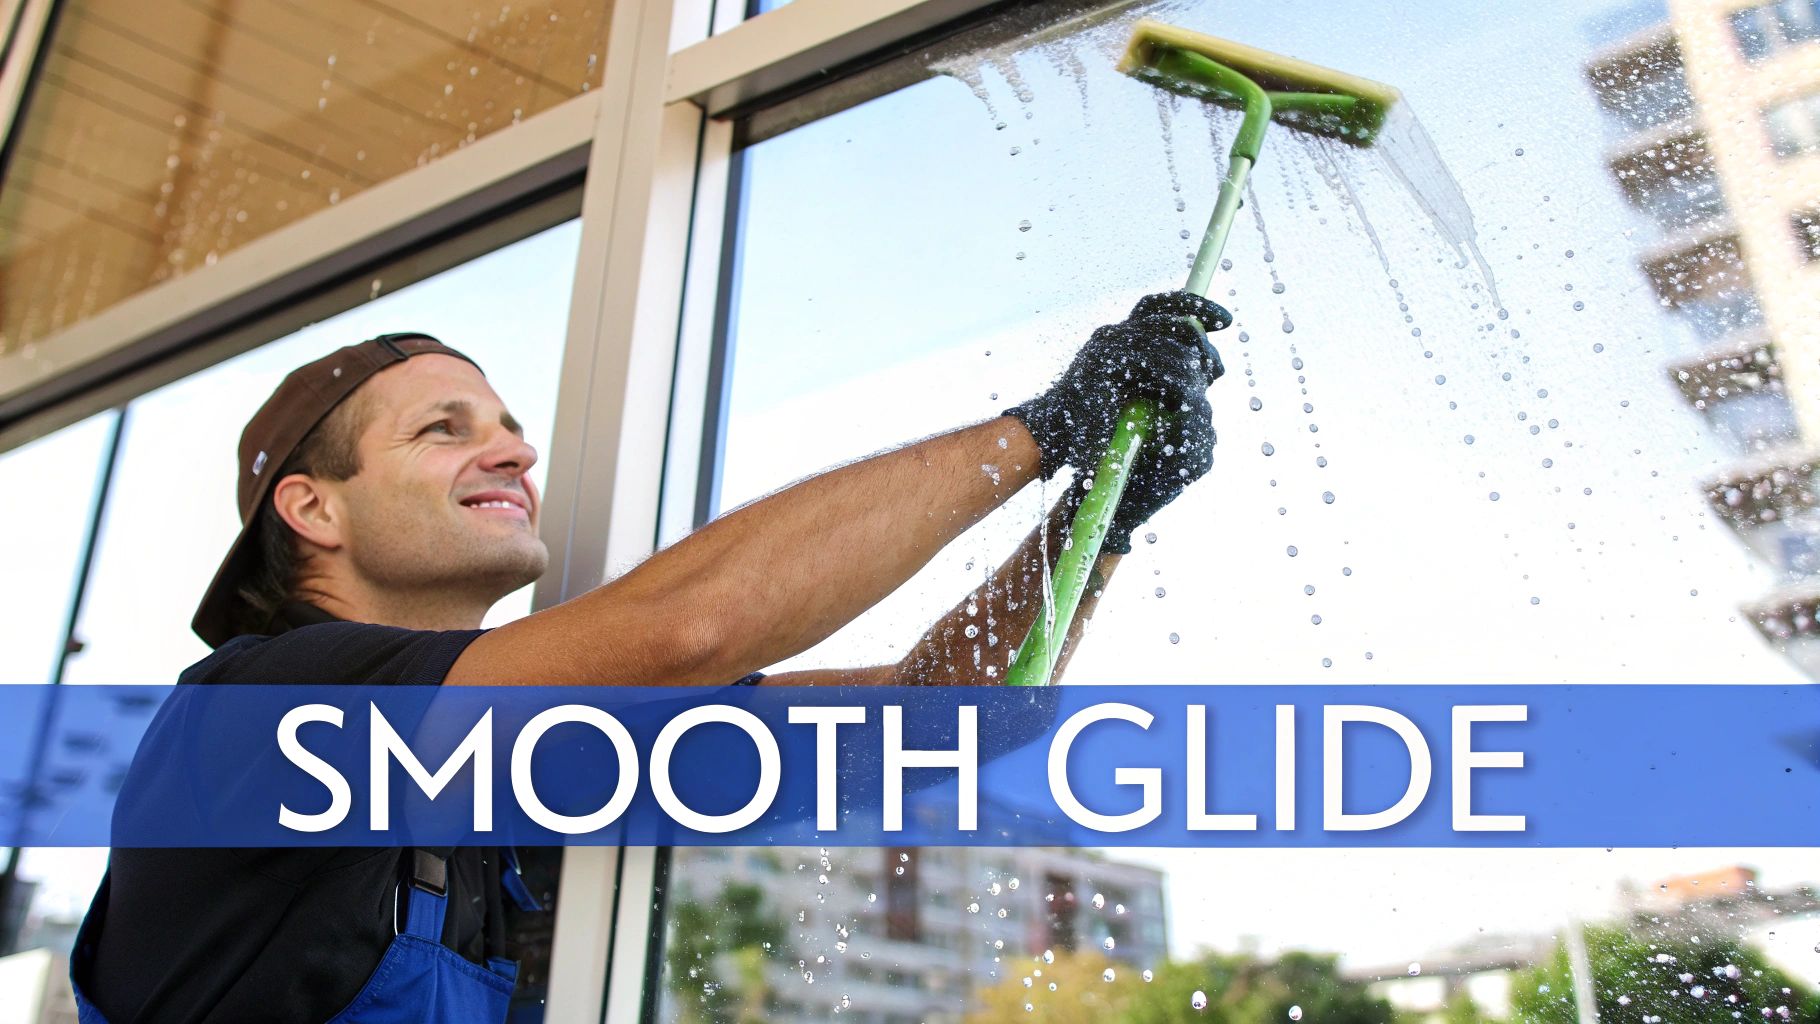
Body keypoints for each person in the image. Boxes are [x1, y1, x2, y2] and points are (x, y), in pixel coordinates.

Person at [68, 291, 1228, 1022]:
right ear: (312, 509)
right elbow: (692, 629)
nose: (515, 451)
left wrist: (1097, 516)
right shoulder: (265, 709)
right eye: (444, 429)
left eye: (511, 427)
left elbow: (951, 718)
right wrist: (1034, 433)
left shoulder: (513, 768)